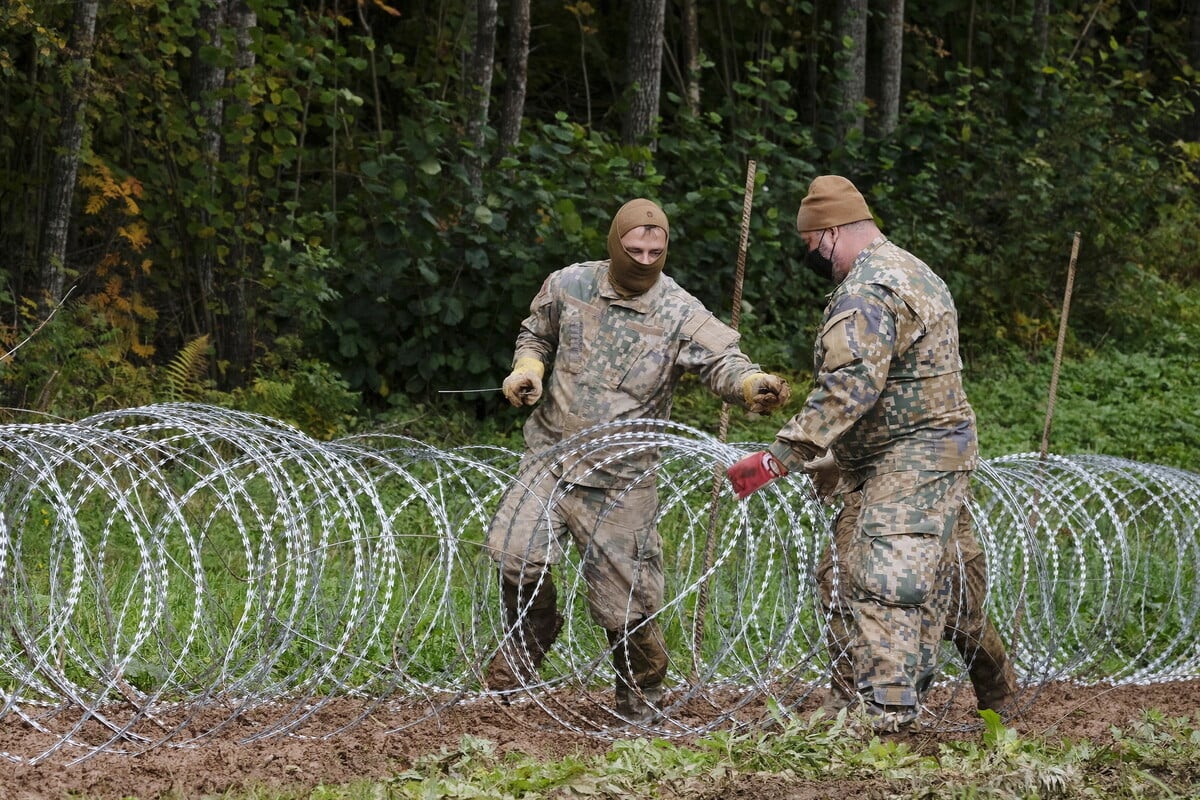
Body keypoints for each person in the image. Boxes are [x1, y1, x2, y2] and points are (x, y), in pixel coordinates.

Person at [485, 197, 792, 725]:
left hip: (620, 479)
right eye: (634, 250)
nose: (645, 260)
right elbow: (536, 332)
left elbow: (723, 361)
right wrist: (527, 368)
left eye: (655, 251)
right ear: (614, 244)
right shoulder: (569, 284)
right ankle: (532, 635)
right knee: (513, 554)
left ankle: (640, 693)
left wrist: (750, 384)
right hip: (550, 456)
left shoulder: (679, 310)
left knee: (626, 605)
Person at [726, 175, 1014, 731]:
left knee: (885, 581)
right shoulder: (912, 270)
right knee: (891, 579)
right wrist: (841, 458)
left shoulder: (868, 290)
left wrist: (780, 457)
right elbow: (907, 383)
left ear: (831, 232)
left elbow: (850, 384)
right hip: (908, 454)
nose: (811, 257)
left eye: (811, 245)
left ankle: (886, 721)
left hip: (913, 461)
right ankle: (978, 696)